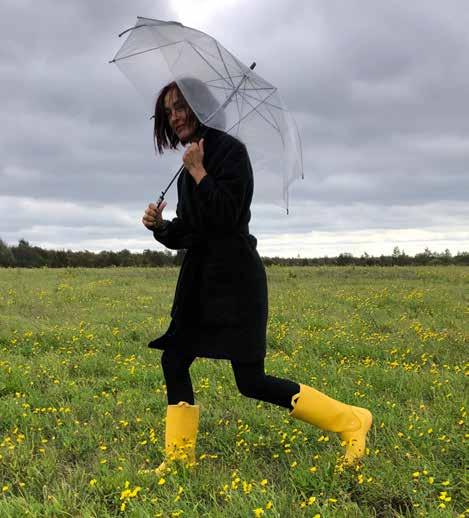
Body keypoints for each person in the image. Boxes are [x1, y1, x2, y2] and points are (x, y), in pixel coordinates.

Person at [142, 81, 372, 475]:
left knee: (250, 381)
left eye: (180, 106)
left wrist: (199, 171)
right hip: (200, 284)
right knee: (174, 359)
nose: (175, 117)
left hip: (236, 283)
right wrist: (161, 227)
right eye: (168, 111)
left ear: (200, 105)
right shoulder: (187, 167)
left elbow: (227, 217)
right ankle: (179, 462)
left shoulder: (231, 153)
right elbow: (192, 230)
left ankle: (352, 421)